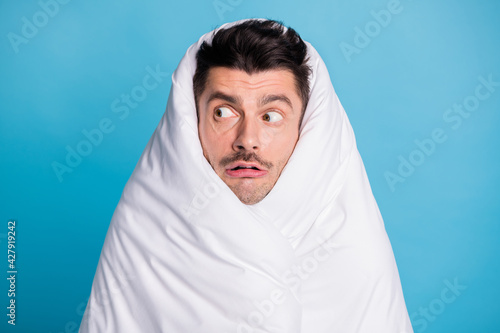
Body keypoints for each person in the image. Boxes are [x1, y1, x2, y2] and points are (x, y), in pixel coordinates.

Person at [79, 19, 413, 332]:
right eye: (223, 113)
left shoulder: (357, 252)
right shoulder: (143, 232)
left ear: (307, 128)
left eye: (271, 116)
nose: (247, 139)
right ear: (189, 122)